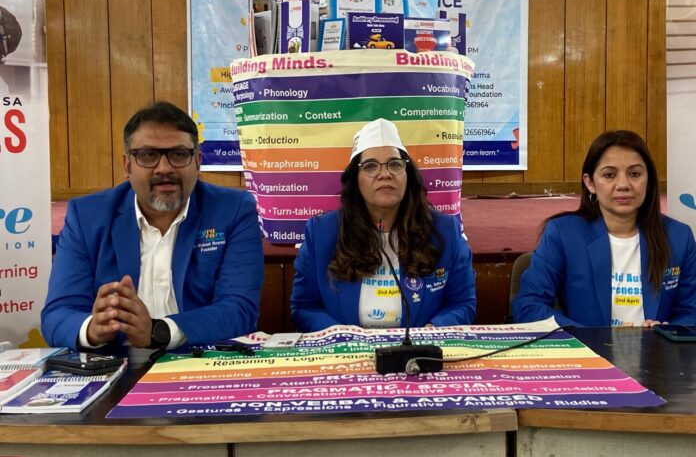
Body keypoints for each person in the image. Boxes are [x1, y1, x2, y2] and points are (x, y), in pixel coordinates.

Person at [41, 102, 264, 356]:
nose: (164, 168)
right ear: (127, 165)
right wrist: (94, 328)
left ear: (197, 161)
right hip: (115, 363)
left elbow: (239, 310)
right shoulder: (87, 216)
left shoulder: (233, 209)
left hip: (200, 359)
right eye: (148, 155)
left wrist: (157, 331)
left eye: (179, 154)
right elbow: (57, 315)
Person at [291, 118, 477, 332]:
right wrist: (341, 336)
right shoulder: (322, 233)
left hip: (419, 349)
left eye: (395, 164)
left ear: (408, 175)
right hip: (347, 350)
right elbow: (304, 307)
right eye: (370, 166)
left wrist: (432, 331)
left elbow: (462, 303)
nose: (385, 174)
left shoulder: (444, 231)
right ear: (355, 179)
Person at [513, 130, 696, 327]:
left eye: (635, 174)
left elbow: (691, 312)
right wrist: (596, 338)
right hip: (587, 346)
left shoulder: (679, 237)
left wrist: (666, 334)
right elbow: (529, 306)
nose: (623, 184)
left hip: (656, 348)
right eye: (609, 175)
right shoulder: (563, 233)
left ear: (649, 180)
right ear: (590, 183)